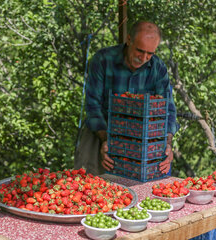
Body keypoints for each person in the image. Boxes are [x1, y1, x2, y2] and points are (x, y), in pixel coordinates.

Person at [74, 21, 178, 176]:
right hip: (101, 133)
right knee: (90, 185)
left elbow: (168, 110)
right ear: (129, 40)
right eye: (139, 51)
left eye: (150, 54)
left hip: (141, 139)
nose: (143, 58)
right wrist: (106, 139)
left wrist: (167, 143)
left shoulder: (158, 68)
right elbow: (92, 106)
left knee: (142, 189)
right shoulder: (103, 60)